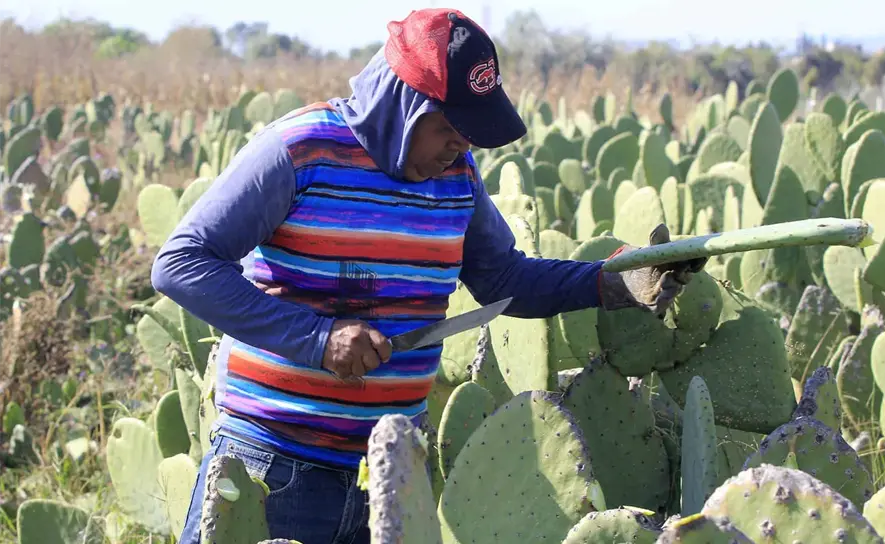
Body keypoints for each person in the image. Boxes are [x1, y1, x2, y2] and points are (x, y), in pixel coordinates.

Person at [151, 7, 706, 544]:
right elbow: (180, 263)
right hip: (275, 469)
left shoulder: (456, 176)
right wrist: (316, 340)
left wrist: (616, 282)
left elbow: (506, 279)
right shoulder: (300, 150)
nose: (462, 145)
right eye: (450, 128)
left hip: (389, 473)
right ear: (404, 102)